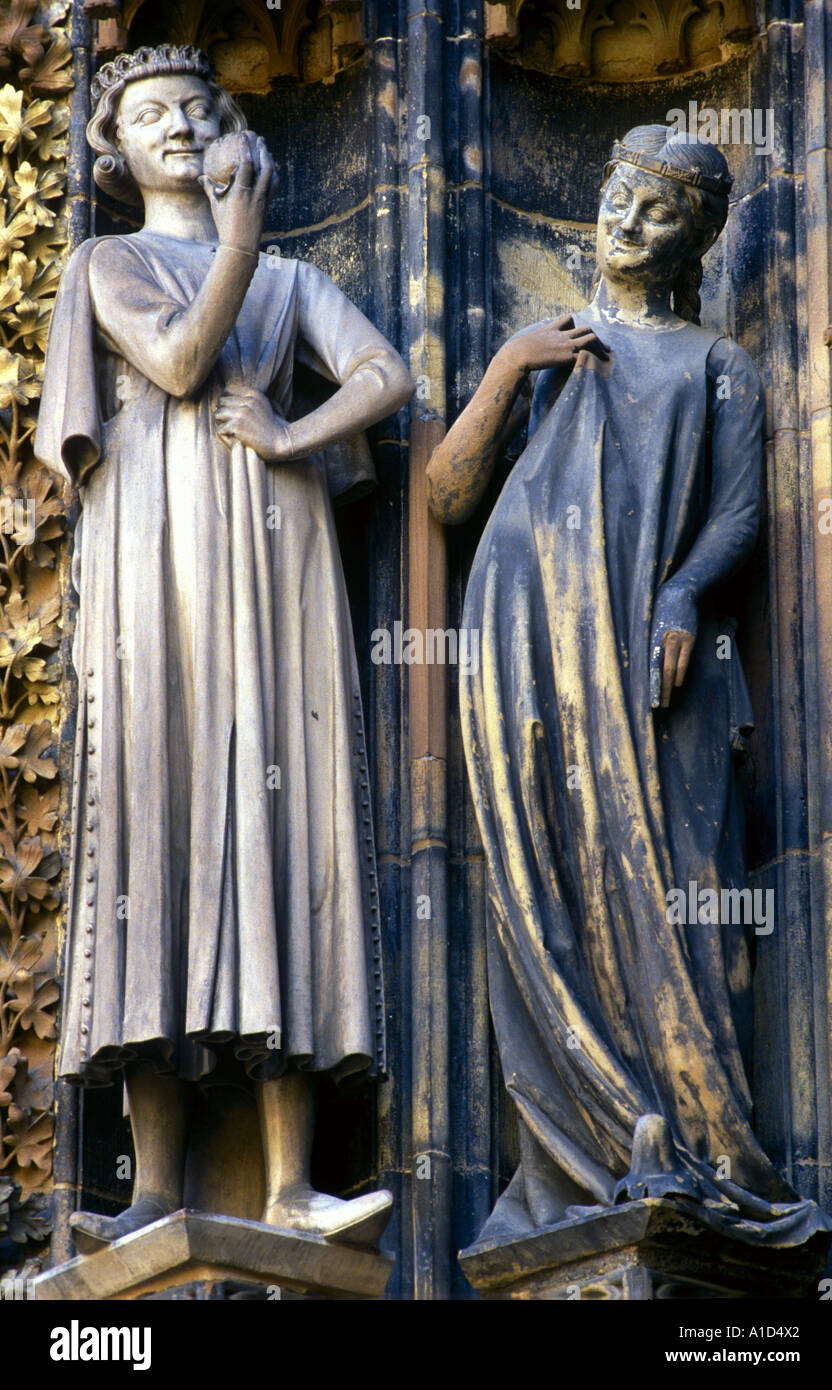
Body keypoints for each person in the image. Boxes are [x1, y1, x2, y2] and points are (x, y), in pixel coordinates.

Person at [36, 43, 413, 1247]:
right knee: (160, 822)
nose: (182, 127)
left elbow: (388, 373)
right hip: (158, 565)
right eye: (152, 114)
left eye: (200, 108)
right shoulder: (109, 261)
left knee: (281, 821)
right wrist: (239, 241)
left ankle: (294, 1179)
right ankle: (152, 1187)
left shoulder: (294, 281)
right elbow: (183, 362)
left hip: (272, 560)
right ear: (116, 149)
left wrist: (297, 435)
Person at [427, 125, 829, 1249]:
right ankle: (582, 1143)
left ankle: (699, 1147)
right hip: (521, 638)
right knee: (542, 875)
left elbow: (741, 516)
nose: (627, 222)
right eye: (619, 196)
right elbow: (446, 498)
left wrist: (683, 592)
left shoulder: (718, 365)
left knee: (675, 879)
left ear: (692, 239)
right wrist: (510, 368)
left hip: (654, 656)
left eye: (659, 212)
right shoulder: (547, 346)